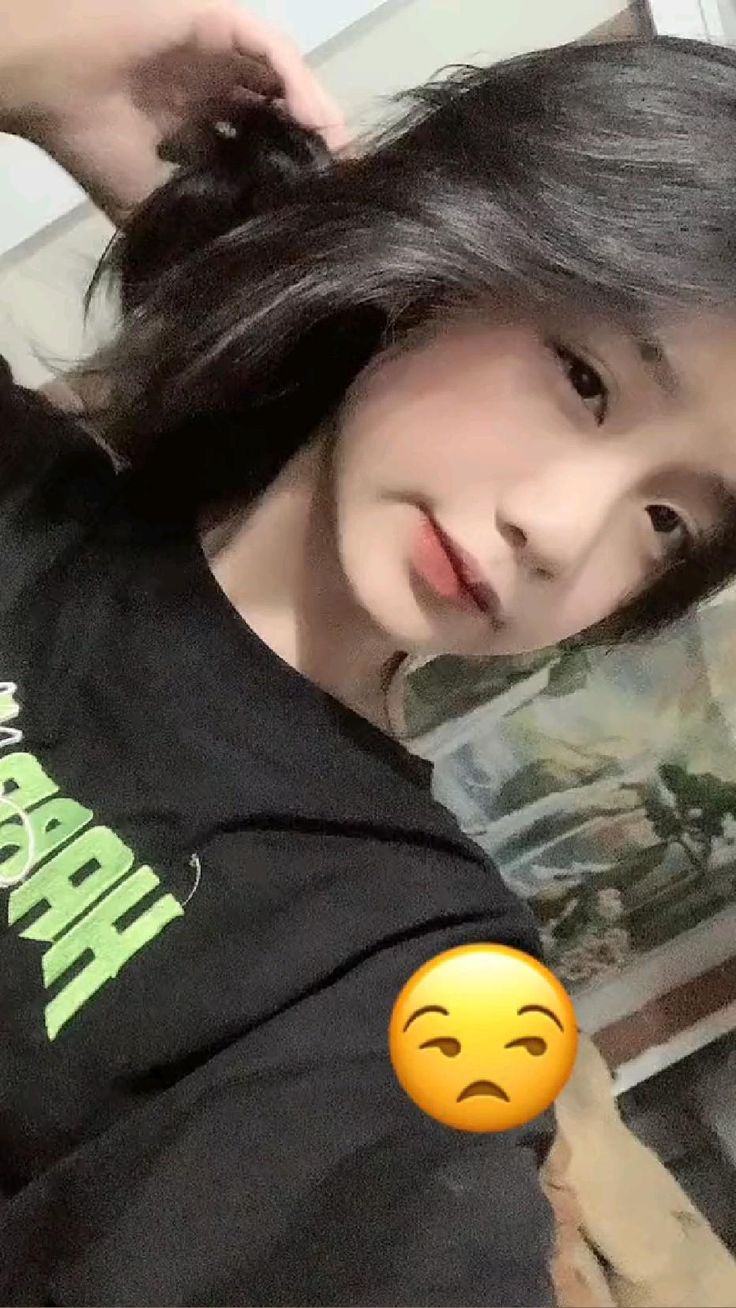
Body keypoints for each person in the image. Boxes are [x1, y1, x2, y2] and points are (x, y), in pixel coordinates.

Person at [2, 0, 736, 1302]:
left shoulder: (407, 965)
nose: (560, 533)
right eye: (584, 378)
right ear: (441, 249)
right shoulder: (24, 493)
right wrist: (42, 61)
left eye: (667, 521)